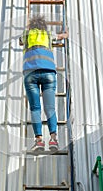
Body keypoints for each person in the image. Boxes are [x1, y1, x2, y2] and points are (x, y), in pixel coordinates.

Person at [21, 15, 68, 152]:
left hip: (30, 73)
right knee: (50, 108)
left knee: (35, 108)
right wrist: (66, 33)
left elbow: (20, 40)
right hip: (48, 73)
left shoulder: (27, 34)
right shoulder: (48, 34)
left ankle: (39, 141)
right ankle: (53, 139)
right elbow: (62, 36)